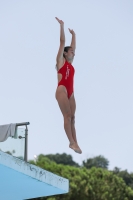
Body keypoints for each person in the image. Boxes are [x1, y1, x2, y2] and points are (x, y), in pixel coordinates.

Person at [55, 17, 82, 154]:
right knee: (67, 115)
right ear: (65, 53)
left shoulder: (71, 65)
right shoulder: (61, 62)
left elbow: (73, 47)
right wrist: (62, 26)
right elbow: (62, 42)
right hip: (62, 89)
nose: (73, 52)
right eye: (71, 51)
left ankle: (75, 142)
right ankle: (71, 142)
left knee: (73, 117)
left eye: (74, 52)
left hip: (71, 92)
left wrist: (74, 35)